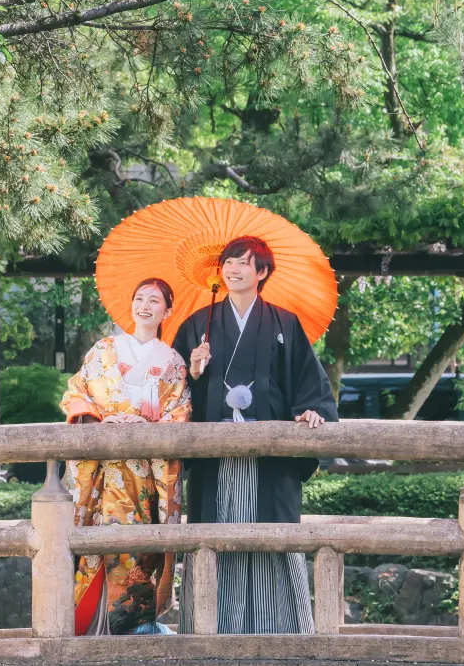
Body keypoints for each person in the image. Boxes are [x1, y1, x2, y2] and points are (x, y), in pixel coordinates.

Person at [170, 236, 338, 633]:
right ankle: (209, 629)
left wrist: (311, 412)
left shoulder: (285, 323)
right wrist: (193, 373)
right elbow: (172, 393)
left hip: (271, 458)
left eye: (245, 263)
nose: (234, 269)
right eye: (229, 261)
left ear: (262, 272)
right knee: (214, 536)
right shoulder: (198, 325)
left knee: (272, 537)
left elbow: (309, 385)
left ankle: (280, 631)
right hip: (215, 457)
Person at [60, 278, 192, 635]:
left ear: (168, 309)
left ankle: (130, 625)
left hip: (143, 470)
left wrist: (145, 424)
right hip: (100, 465)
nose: (144, 306)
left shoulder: (173, 362)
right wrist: (103, 418)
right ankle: (88, 623)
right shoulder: (104, 349)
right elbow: (77, 390)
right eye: (139, 298)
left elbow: (179, 412)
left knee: (135, 547)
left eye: (154, 300)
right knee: (90, 541)